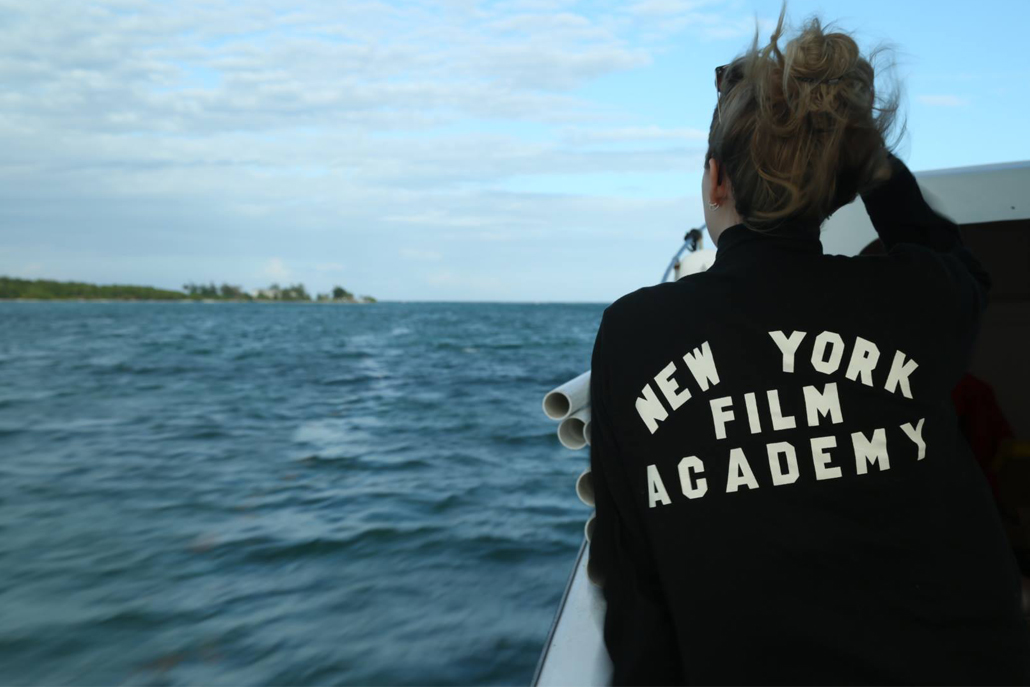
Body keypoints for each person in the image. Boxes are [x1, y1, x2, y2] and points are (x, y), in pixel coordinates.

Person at [587, 7, 1030, 685]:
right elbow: (957, 264)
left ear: (715, 180)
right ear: (838, 187)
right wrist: (868, 161)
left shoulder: (633, 334)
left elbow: (635, 587)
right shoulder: (910, 300)